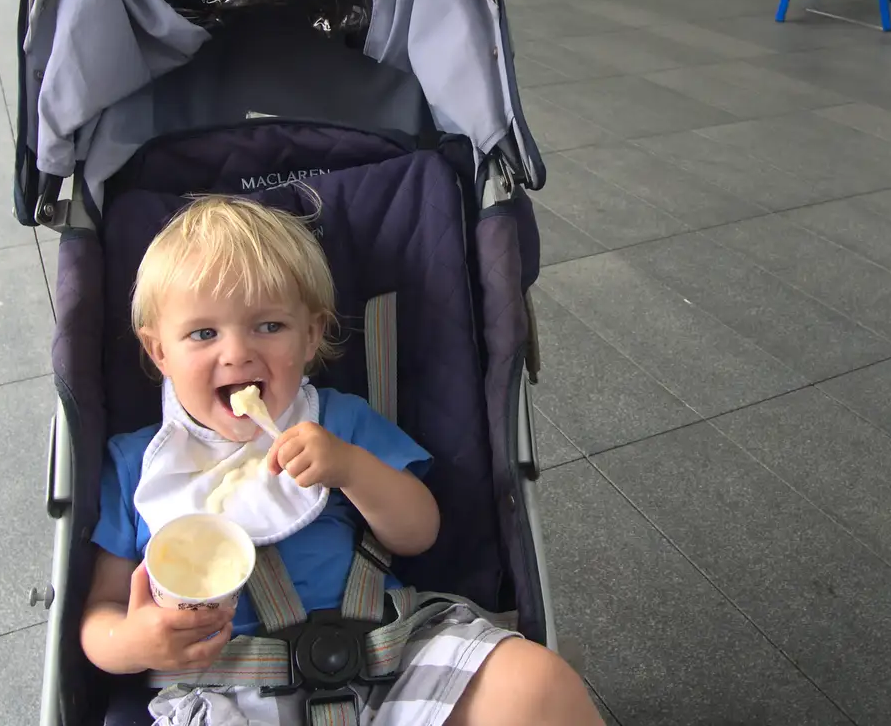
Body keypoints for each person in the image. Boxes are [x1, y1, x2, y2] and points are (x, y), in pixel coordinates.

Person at [79, 196, 604, 726]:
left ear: (311, 335)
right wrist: (132, 642)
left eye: (268, 326)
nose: (237, 353)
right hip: (227, 688)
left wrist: (352, 469)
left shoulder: (338, 422)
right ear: (158, 352)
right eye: (203, 333)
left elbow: (418, 532)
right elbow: (99, 611)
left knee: (535, 684)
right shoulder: (137, 465)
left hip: (387, 651)